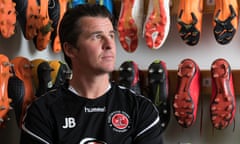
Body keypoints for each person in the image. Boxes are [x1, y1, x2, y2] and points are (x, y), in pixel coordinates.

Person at [20, 4, 163, 144]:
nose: (109, 44)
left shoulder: (141, 109)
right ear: (70, 50)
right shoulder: (42, 111)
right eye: (97, 37)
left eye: (111, 35)